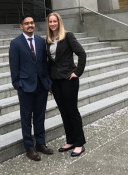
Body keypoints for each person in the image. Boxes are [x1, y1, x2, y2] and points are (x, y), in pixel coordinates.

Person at [9, 14, 54, 161]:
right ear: (21, 26)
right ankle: (29, 147)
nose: (30, 25)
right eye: (26, 23)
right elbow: (14, 67)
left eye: (32, 23)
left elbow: (45, 64)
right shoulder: (16, 44)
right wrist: (18, 84)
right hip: (25, 87)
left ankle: (41, 143)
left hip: (41, 86)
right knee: (26, 118)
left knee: (40, 116)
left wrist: (47, 83)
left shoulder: (41, 41)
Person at [46, 12, 87, 157]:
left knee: (72, 111)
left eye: (54, 21)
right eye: (50, 22)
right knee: (63, 111)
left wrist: (77, 72)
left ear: (59, 22)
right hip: (56, 81)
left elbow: (82, 54)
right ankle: (70, 140)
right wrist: (49, 82)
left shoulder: (68, 36)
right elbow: (50, 62)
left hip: (69, 79)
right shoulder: (49, 39)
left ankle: (79, 143)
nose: (52, 24)